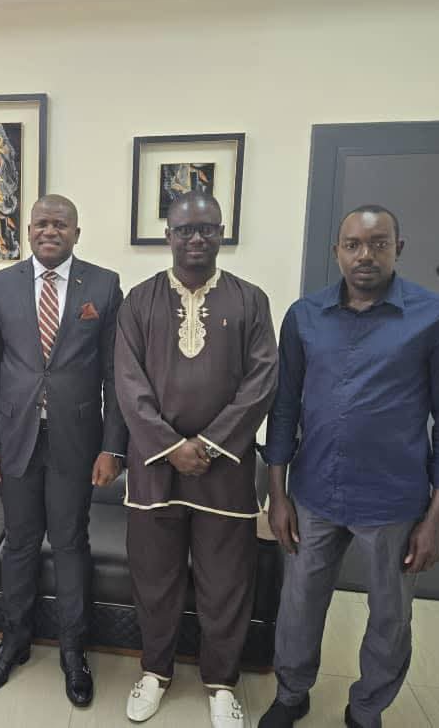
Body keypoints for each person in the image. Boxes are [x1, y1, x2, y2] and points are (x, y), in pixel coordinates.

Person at [260, 205, 439, 728]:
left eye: (378, 243)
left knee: (389, 615)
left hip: (394, 499)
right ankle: (291, 694)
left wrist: (438, 519)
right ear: (336, 251)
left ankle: (366, 709)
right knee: (298, 604)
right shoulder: (304, 316)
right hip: (314, 492)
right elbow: (284, 408)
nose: (365, 255)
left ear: (397, 249)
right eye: (353, 244)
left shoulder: (438, 318)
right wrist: (277, 493)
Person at [114, 192, 278, 727]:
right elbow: (127, 383)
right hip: (154, 468)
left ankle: (222, 683)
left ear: (222, 234)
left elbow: (262, 381)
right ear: (168, 235)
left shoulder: (250, 300)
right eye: (185, 230)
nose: (196, 239)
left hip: (224, 470)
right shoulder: (138, 300)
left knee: (226, 581)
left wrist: (207, 445)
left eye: (207, 228)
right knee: (154, 579)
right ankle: (155, 672)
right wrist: (171, 447)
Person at [0, 194, 127, 705]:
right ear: (28, 230)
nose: (50, 231)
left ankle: (73, 650)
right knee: (19, 543)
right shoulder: (0, 285)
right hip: (15, 439)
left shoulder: (103, 285)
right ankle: (13, 640)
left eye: (61, 224)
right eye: (41, 223)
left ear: (77, 233)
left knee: (70, 543)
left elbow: (114, 375)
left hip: (75, 441)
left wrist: (113, 448)